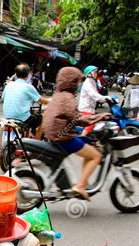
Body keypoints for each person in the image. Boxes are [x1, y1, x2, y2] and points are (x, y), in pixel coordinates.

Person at [43, 67, 111, 201]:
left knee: (88, 145)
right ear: (72, 81)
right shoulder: (68, 97)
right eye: (77, 81)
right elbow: (78, 119)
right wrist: (100, 117)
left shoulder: (59, 95)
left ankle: (83, 183)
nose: (79, 84)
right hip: (64, 138)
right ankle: (80, 186)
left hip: (56, 135)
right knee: (96, 156)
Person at [2, 63, 50, 129]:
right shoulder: (28, 87)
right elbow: (41, 100)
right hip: (22, 118)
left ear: (16, 74)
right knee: (44, 119)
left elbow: (3, 98)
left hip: (7, 116)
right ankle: (36, 139)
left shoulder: (9, 85)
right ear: (28, 74)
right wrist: (53, 103)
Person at [78, 65, 111, 136]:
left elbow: (96, 94)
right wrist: (105, 98)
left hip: (90, 108)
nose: (96, 74)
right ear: (89, 74)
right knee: (90, 124)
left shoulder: (92, 82)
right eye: (95, 72)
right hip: (86, 109)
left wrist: (104, 98)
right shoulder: (87, 84)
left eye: (96, 72)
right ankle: (82, 139)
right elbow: (94, 95)